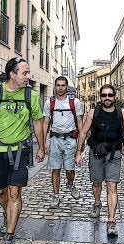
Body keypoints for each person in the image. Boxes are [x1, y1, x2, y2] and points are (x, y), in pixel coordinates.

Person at [0, 57, 45, 244]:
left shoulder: (31, 95)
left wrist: (42, 147)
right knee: (1, 191)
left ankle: (9, 238)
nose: (29, 77)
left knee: (15, 192)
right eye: (25, 73)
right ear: (12, 74)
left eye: (29, 73)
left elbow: (37, 121)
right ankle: (6, 213)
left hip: (20, 150)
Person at [81, 84, 124, 236]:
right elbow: (84, 131)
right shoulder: (94, 112)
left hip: (114, 153)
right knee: (97, 183)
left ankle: (111, 221)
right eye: (104, 95)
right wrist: (79, 152)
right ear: (100, 97)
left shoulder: (122, 112)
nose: (107, 98)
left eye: (110, 95)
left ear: (115, 97)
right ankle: (97, 203)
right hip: (96, 152)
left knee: (112, 185)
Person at [43, 76, 84, 208]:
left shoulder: (75, 102)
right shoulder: (50, 103)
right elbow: (45, 122)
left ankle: (70, 184)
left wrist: (81, 142)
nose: (60, 88)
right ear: (55, 86)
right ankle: (56, 195)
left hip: (70, 139)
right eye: (58, 85)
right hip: (55, 139)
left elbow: (79, 122)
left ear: (67, 87)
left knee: (69, 170)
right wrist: (43, 142)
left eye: (63, 85)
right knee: (55, 169)